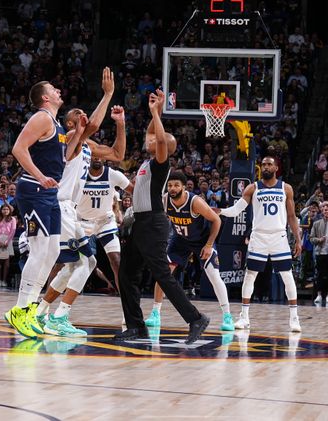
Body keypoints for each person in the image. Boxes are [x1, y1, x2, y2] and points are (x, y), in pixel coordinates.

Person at [36, 69, 127, 336]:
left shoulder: (85, 145)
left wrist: (120, 124)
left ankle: (41, 312)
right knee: (85, 264)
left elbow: (118, 154)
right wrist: (108, 94)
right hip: (62, 206)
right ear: (70, 124)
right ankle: (59, 316)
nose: (83, 116)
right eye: (78, 115)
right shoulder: (68, 140)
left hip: (69, 212)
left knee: (73, 265)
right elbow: (92, 126)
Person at [115, 89, 209, 344]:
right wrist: (153, 109)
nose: (149, 140)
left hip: (153, 223)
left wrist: (158, 114)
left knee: (162, 275)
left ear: (162, 147)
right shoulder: (147, 161)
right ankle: (136, 326)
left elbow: (160, 140)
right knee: (126, 274)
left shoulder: (160, 164)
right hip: (140, 223)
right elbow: (151, 134)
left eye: (155, 140)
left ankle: (196, 318)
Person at [4, 79, 71, 338]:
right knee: (40, 248)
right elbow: (18, 149)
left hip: (49, 192)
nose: (58, 91)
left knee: (53, 250)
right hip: (35, 188)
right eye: (54, 89)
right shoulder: (42, 118)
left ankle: (31, 307)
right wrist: (40, 176)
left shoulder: (56, 124)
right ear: (45, 98)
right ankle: (20, 309)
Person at [219, 156, 302, 332]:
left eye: (269, 164)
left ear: (276, 167)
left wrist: (298, 239)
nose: (266, 167)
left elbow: (292, 216)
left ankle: (294, 319)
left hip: (279, 236)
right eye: (263, 164)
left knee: (287, 276)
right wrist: (220, 211)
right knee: (250, 275)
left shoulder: (286, 188)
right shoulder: (252, 187)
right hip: (258, 237)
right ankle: (244, 317)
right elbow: (237, 210)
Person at [144, 170, 234, 331]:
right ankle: (155, 313)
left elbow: (217, 220)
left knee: (214, 275)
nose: (172, 188)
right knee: (163, 273)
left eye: (176, 185)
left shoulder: (195, 202)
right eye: (170, 185)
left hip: (201, 241)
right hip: (180, 240)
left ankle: (227, 316)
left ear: (184, 187)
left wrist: (208, 245)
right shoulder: (165, 200)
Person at [75, 155, 132, 319]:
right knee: (64, 263)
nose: (97, 158)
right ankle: (45, 308)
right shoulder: (79, 174)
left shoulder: (113, 174)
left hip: (105, 221)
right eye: (93, 155)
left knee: (116, 260)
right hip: (82, 222)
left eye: (100, 154)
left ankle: (128, 309)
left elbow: (134, 190)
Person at [310, 201, 328, 306]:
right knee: (319, 275)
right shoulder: (316, 224)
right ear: (322, 211)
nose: (327, 212)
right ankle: (319, 294)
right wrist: (319, 240)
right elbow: (311, 238)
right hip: (320, 252)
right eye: (325, 210)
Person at [0, 204, 16, 287]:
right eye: (3, 209)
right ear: (1, 210)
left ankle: (4, 280)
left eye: (7, 209)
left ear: (9, 211)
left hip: (8, 240)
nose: (5, 211)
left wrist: (7, 242)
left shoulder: (12, 219)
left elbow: (13, 231)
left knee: (6, 262)